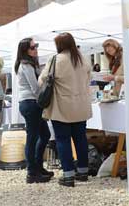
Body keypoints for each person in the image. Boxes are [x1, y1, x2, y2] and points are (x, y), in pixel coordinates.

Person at [39, 33, 92, 187]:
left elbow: (42, 80)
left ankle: (68, 175)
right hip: (81, 104)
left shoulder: (55, 59)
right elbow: (88, 78)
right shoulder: (83, 58)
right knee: (80, 139)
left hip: (62, 106)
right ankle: (83, 171)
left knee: (63, 140)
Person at [15, 38, 53, 184]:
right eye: (32, 47)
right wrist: (45, 101)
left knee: (44, 135)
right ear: (25, 50)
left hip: (30, 103)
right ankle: (32, 172)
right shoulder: (26, 65)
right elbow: (35, 88)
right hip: (31, 103)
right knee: (33, 138)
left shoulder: (29, 64)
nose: (35, 49)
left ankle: (37, 167)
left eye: (36, 46)